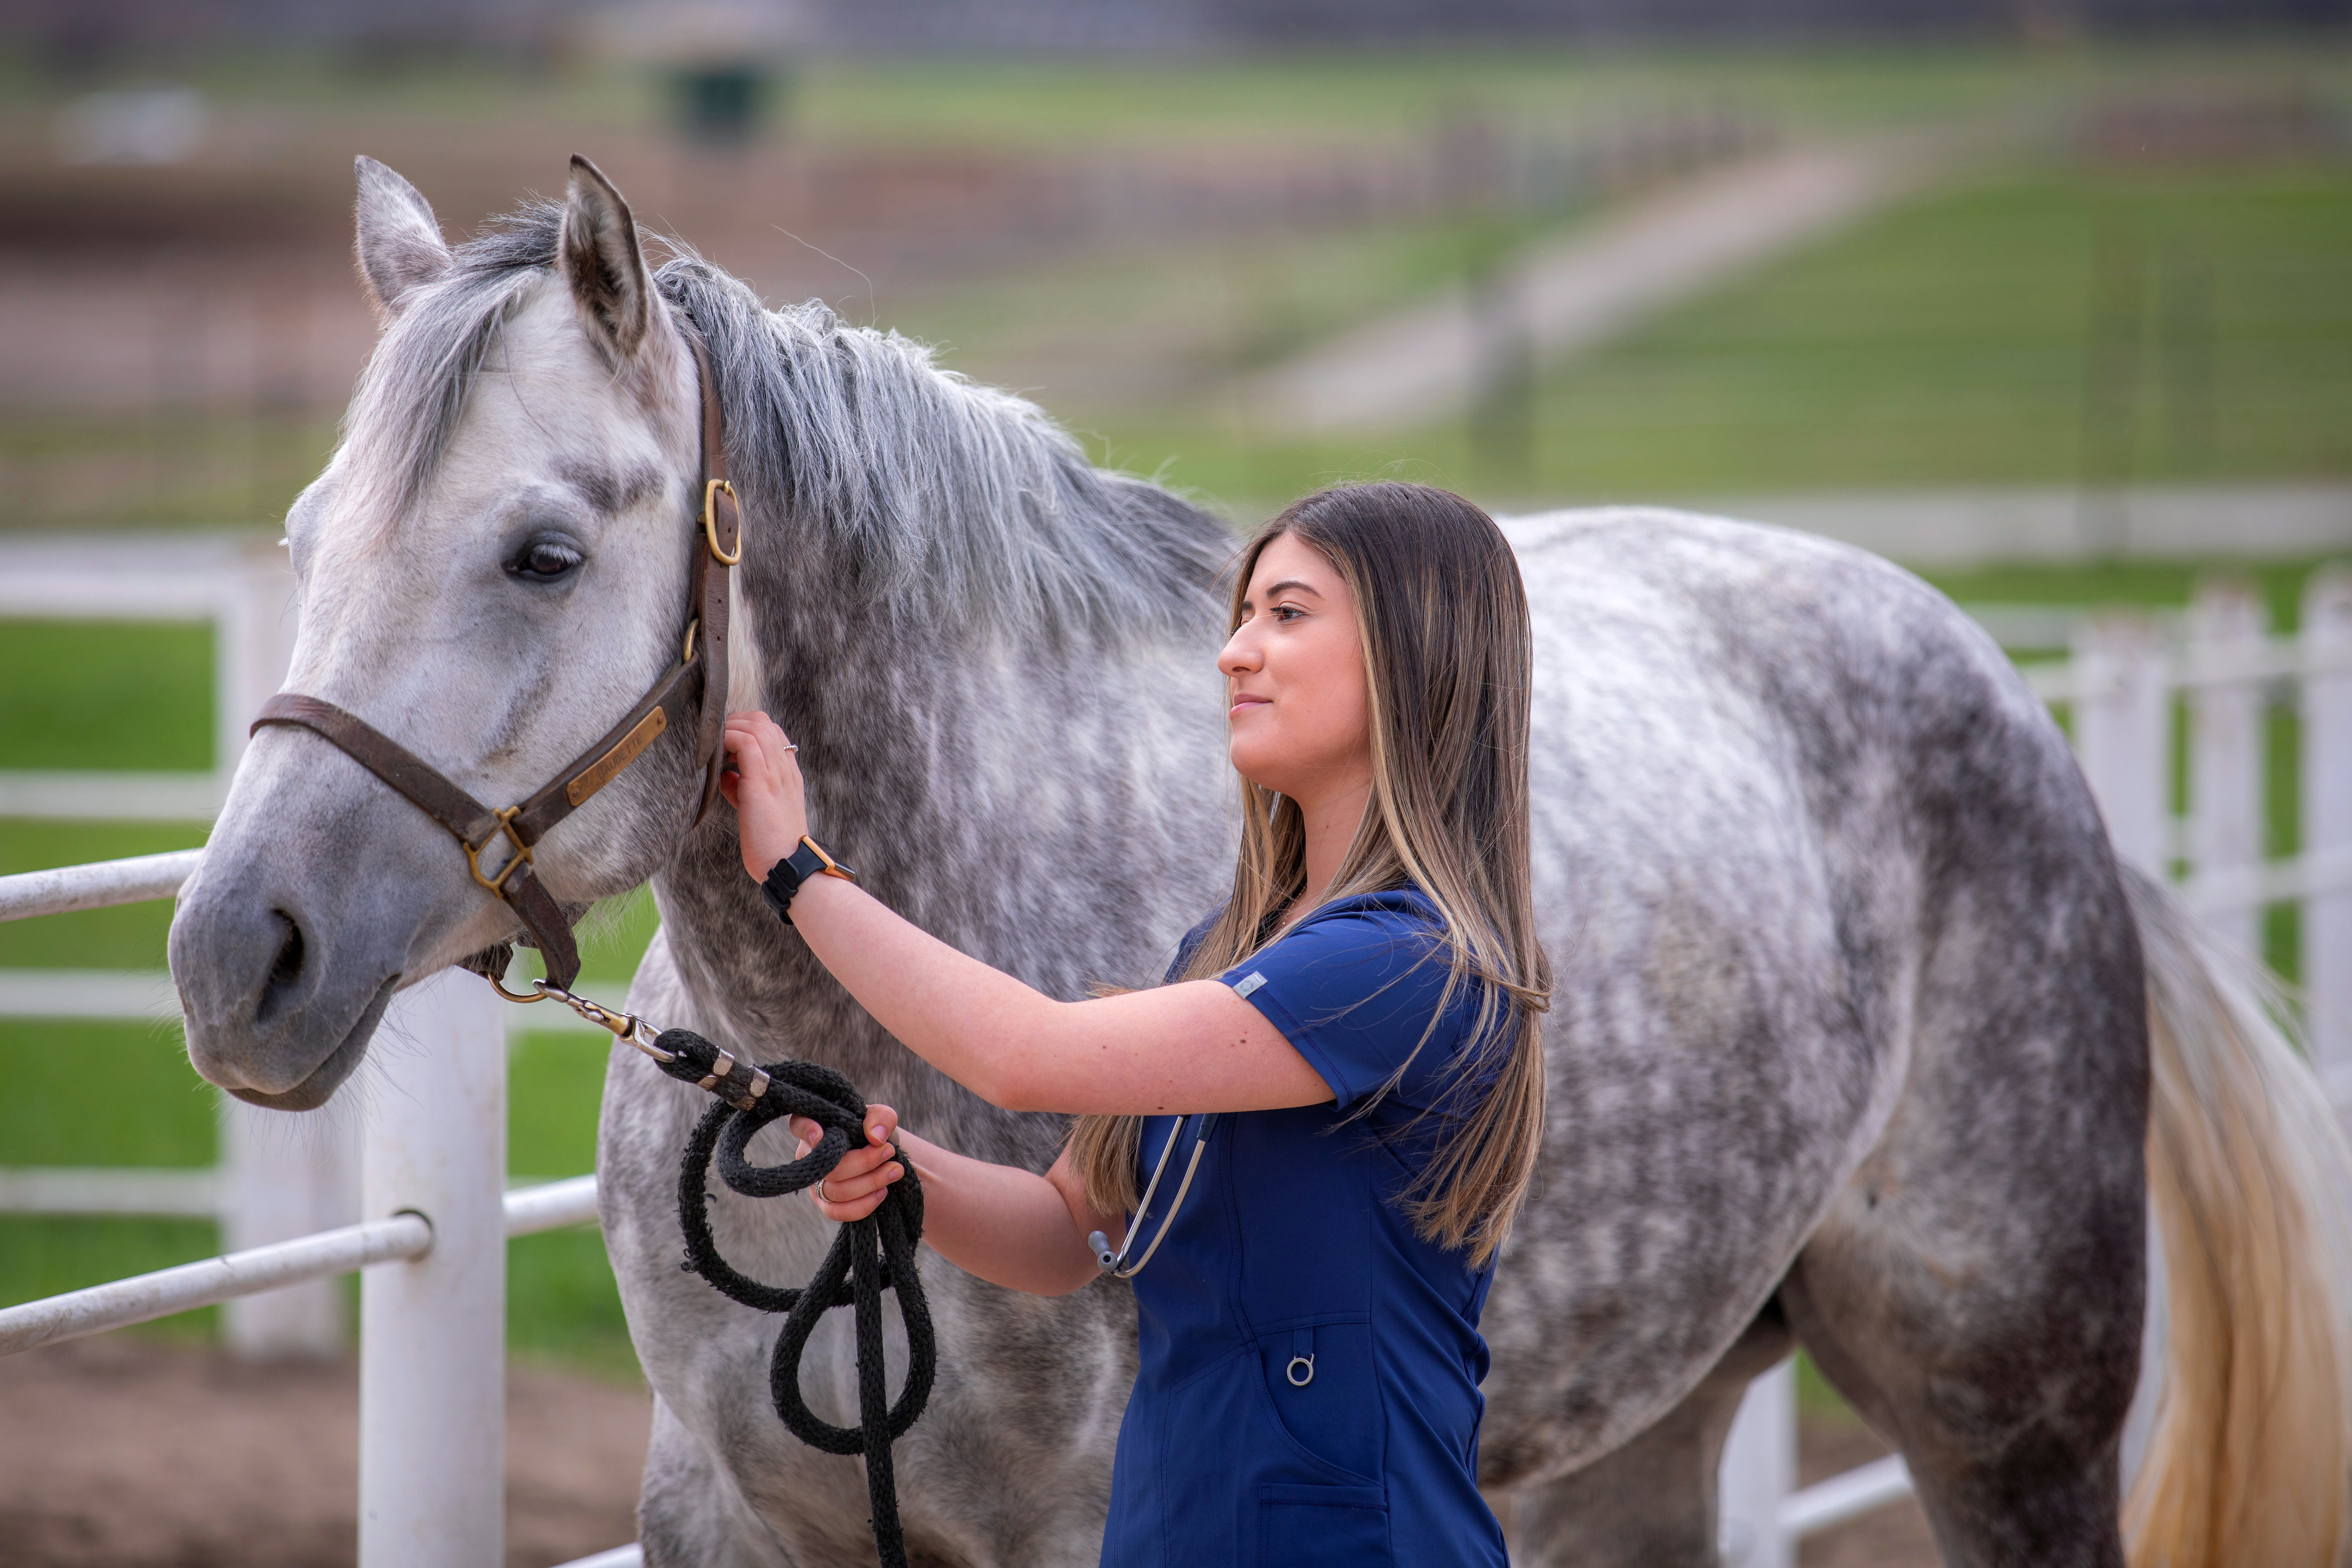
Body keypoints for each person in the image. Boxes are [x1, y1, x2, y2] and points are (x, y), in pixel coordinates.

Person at [720, 480, 1552, 1566]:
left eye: (1288, 614)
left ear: (1416, 651)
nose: (1235, 653)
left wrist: (796, 871)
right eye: (1244, 615)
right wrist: (898, 1168)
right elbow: (1070, 1232)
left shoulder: (1403, 964)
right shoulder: (1233, 954)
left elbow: (1025, 1058)